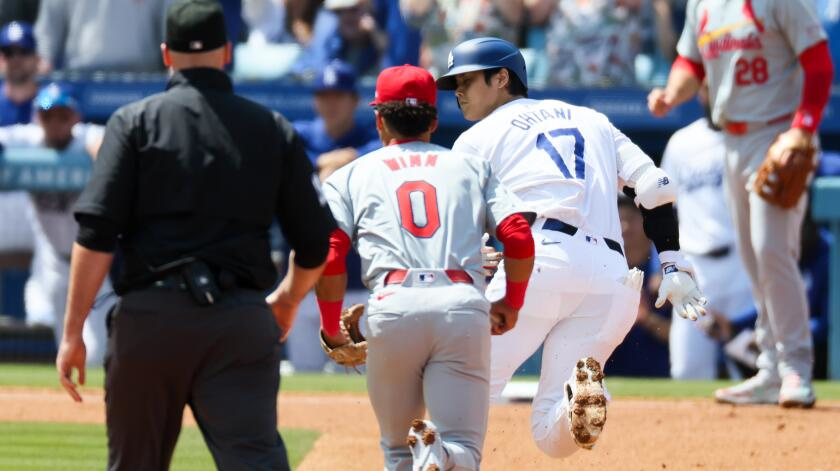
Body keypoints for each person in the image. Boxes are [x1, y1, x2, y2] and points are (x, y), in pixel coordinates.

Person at [54, 2, 335, 470]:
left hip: (150, 321)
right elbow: (314, 243)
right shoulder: (272, 127)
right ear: (228, 52)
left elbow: (95, 233)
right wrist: (286, 300)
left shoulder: (132, 122)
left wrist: (72, 332)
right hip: (238, 322)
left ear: (166, 53)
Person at [436, 37, 706, 458]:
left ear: (502, 78)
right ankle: (578, 399)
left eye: (466, 80)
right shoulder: (592, 119)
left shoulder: (476, 138)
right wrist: (672, 263)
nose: (457, 92)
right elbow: (655, 186)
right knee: (553, 434)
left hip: (537, 264)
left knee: (459, 390)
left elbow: (453, 224)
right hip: (612, 279)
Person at [305, 64, 535, 471]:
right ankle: (443, 453)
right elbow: (517, 235)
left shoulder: (350, 175)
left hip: (392, 306)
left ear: (379, 119)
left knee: (397, 451)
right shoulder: (470, 167)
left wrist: (330, 326)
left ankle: (427, 453)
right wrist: (511, 303)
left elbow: (330, 252)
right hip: (460, 303)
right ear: (433, 119)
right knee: (463, 447)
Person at [648, 0, 833, 407]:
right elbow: (689, 63)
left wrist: (804, 128)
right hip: (731, 140)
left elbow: (818, 63)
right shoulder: (703, 4)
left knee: (771, 251)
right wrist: (670, 95)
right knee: (754, 257)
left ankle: (795, 367)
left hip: (778, 133)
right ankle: (769, 369)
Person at [0, 83, 114, 365]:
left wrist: (100, 154)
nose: (55, 123)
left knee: (97, 353)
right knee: (61, 346)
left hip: (90, 260)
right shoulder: (28, 138)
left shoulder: (86, 135)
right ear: (38, 117)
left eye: (62, 115)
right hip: (51, 262)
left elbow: (109, 143)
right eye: (48, 115)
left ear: (74, 117)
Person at [659, 87, 755, 380]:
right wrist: (664, 264)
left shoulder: (752, 137)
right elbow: (663, 208)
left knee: (753, 366)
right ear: (701, 93)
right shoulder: (682, 142)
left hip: (742, 264)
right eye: (708, 87)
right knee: (687, 370)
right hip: (695, 268)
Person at [293, 59, 381, 181]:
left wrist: (354, 156)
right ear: (314, 101)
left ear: (355, 100)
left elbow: (386, 149)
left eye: (338, 96)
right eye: (324, 96)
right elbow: (279, 152)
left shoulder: (370, 137)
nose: (330, 104)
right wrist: (319, 161)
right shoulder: (300, 134)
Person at [35, 0, 172, 72]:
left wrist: (173, 65)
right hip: (80, 78)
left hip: (142, 78)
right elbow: (48, 27)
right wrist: (44, 60)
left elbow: (169, 22)